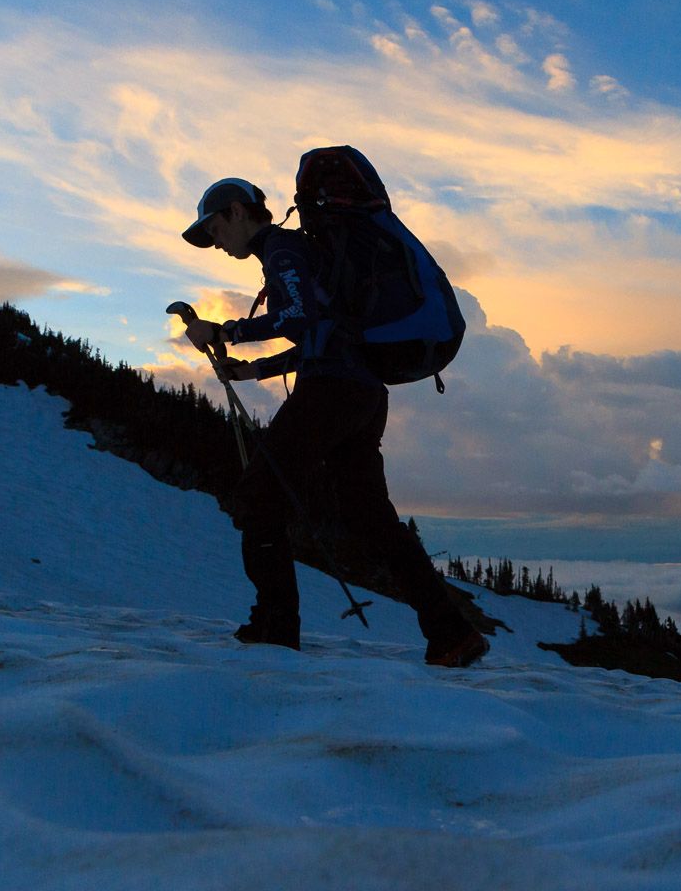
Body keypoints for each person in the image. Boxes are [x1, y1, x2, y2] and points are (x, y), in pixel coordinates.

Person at [179, 177, 488, 667]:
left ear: (237, 212)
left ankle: (274, 627)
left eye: (214, 229)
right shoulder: (299, 252)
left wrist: (227, 330)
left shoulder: (280, 247)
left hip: (332, 392)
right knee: (369, 518)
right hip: (362, 393)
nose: (215, 242)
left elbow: (298, 317)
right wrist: (256, 369)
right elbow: (323, 330)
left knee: (261, 492)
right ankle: (452, 632)